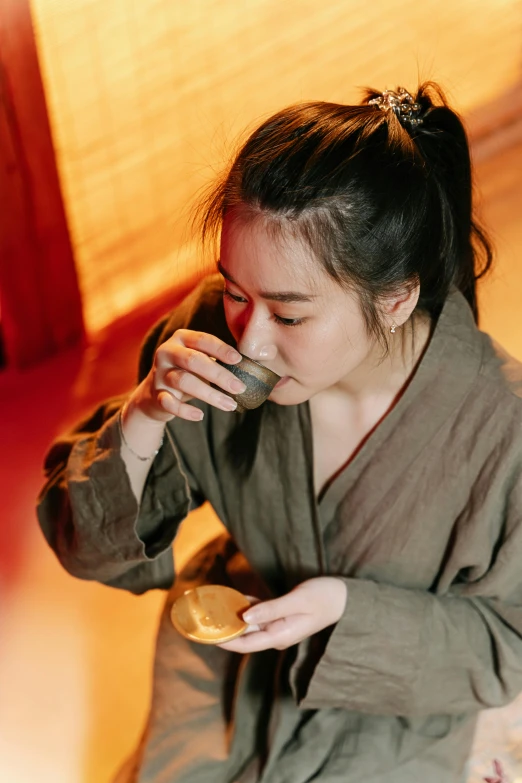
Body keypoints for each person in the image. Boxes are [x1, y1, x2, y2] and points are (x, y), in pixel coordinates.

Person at [37, 82, 522, 783]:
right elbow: (87, 545)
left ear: (395, 299)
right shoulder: (205, 337)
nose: (251, 340)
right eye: (236, 292)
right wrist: (142, 416)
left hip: (395, 698)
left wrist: (346, 611)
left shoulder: (501, 430)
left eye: (289, 316)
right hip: (234, 663)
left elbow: (507, 643)